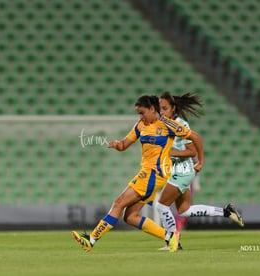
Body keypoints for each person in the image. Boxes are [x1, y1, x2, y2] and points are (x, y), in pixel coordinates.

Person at [72, 95, 204, 253]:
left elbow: (195, 137)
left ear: (152, 109)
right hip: (147, 173)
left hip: (155, 173)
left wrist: (200, 162)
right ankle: (170, 237)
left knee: (118, 203)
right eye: (138, 114)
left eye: (142, 113)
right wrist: (116, 144)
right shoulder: (141, 125)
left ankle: (91, 240)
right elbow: (124, 145)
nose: (140, 117)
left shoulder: (168, 124)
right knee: (130, 216)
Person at [155, 92, 244, 250]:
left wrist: (172, 154)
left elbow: (191, 151)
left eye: (165, 108)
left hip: (182, 171)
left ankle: (173, 243)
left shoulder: (180, 125)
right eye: (160, 108)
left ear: (173, 108)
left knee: (162, 206)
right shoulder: (164, 124)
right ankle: (226, 212)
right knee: (184, 211)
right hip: (177, 170)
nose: (162, 112)